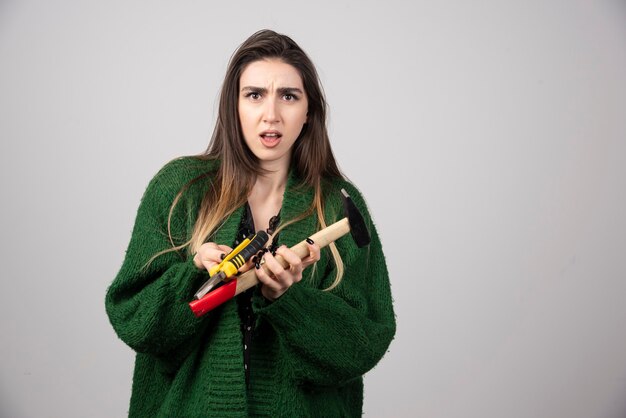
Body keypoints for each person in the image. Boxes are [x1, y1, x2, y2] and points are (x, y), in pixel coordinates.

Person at [105, 29, 395, 417]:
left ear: (308, 111)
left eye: (288, 96)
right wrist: (193, 276)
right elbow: (135, 322)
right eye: (254, 95)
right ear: (234, 105)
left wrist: (289, 301)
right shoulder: (179, 192)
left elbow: (363, 344)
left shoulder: (336, 206)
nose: (271, 114)